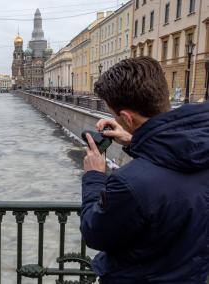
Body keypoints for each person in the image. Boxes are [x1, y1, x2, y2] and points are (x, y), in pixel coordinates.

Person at [81, 57, 209, 283]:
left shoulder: (129, 184)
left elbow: (95, 233)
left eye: (115, 114)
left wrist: (94, 177)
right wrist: (133, 140)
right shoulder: (202, 148)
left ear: (127, 118)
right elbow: (173, 163)